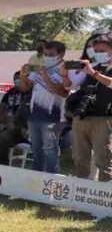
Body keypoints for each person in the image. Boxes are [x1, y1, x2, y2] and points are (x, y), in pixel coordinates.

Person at [19, 41, 70, 173]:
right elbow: (24, 88)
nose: (47, 57)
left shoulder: (65, 70)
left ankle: (51, 182)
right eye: (45, 54)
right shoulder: (40, 67)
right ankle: (37, 181)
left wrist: (46, 77)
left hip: (53, 118)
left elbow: (64, 92)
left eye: (51, 54)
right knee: (36, 149)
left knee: (50, 150)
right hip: (34, 115)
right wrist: (22, 76)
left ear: (61, 55)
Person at [70, 34, 112, 181]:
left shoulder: (96, 70)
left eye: (102, 50)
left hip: (103, 119)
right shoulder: (92, 66)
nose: (98, 54)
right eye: (96, 51)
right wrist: (65, 74)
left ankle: (105, 197)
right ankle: (81, 194)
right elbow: (70, 85)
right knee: (80, 158)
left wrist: (93, 73)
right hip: (82, 116)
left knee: (103, 160)